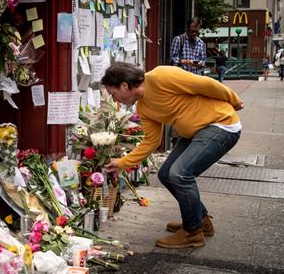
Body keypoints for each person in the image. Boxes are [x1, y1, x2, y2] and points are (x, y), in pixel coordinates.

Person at [102, 62, 244, 249]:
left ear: (124, 86)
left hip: (221, 124)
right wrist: (122, 163)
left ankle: (192, 232)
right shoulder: (144, 108)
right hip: (196, 133)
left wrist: (234, 100)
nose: (115, 100)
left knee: (180, 174)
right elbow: (151, 142)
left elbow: (205, 84)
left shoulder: (160, 77)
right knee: (166, 173)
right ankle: (199, 220)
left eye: (113, 94)